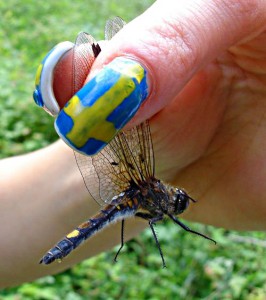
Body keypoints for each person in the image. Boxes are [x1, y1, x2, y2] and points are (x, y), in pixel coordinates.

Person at [1, 0, 266, 288]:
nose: (178, 202)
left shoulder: (151, 188)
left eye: (178, 200)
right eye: (177, 200)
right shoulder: (152, 191)